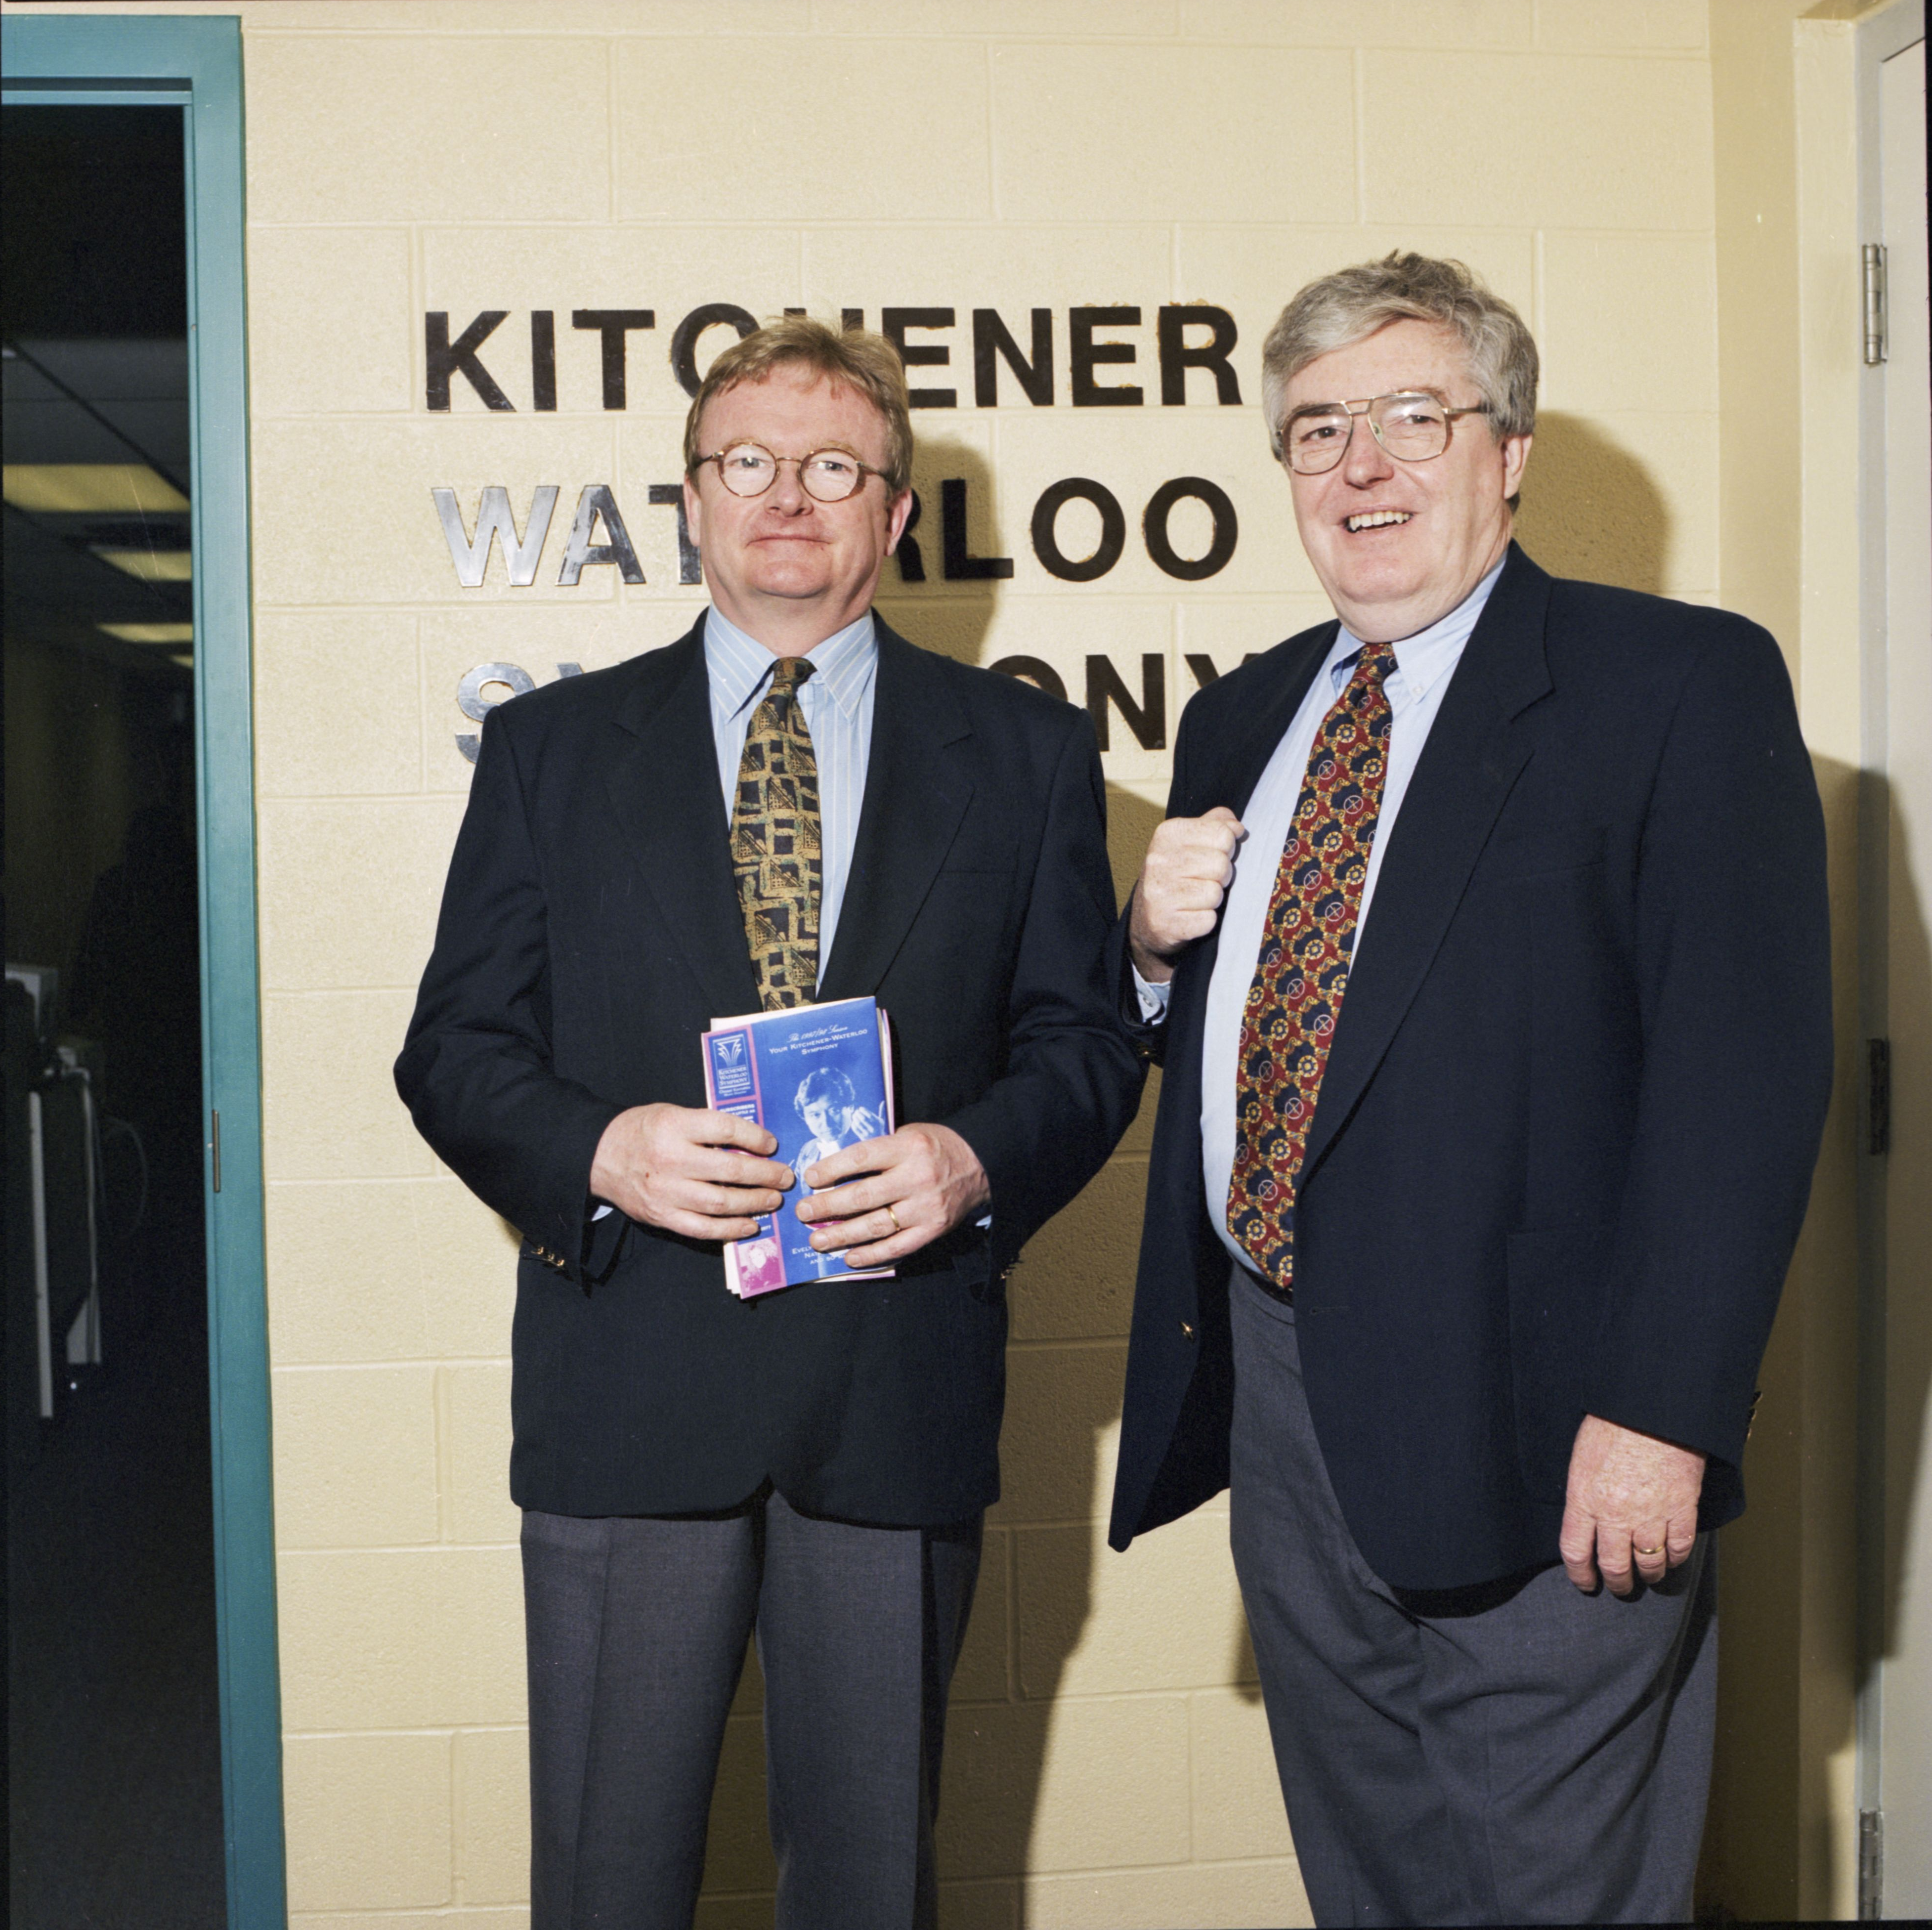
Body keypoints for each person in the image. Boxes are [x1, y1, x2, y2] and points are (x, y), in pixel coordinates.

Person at [1107, 254, 1832, 1927]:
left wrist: (1662, 1414)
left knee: (1547, 1889)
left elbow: (1742, 1082)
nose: (1360, 467)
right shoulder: (1243, 717)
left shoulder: (1676, 687)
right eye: (1314, 431)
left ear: (1506, 449)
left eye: (1410, 417)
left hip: (1552, 1421)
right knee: (1366, 1876)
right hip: (1284, 1397)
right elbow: (1247, 1041)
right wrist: (1146, 948)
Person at [396, 317, 1141, 1930]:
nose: (786, 497)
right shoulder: (550, 752)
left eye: (831, 467)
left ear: (890, 512)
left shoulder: (1022, 755)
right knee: (608, 1882)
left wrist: (971, 1161)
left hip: (893, 1395)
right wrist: (596, 1152)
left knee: (869, 1888)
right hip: (627, 1394)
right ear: (689, 499)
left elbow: (1084, 1047)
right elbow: (452, 1051)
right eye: (748, 462)